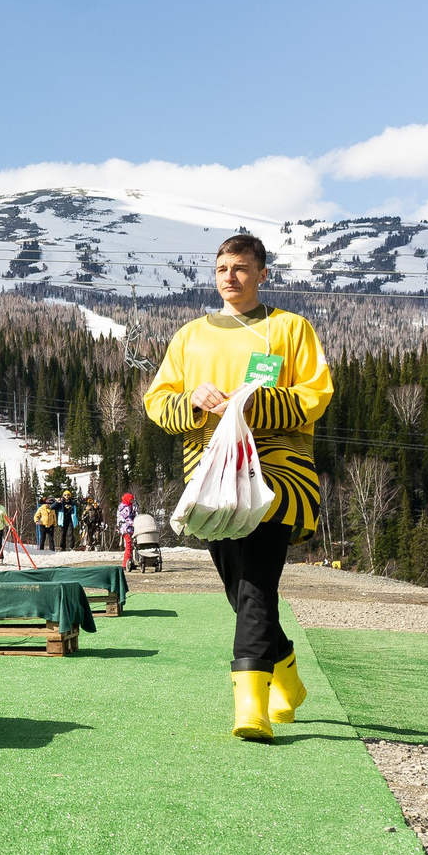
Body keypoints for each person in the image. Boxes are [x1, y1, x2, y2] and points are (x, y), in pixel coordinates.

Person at [145, 231, 334, 741]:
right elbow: (157, 401)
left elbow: (315, 394)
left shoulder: (290, 329)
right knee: (239, 586)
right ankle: (287, 673)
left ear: (262, 274)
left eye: (242, 268)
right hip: (211, 478)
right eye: (223, 268)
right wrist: (196, 403)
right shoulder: (190, 336)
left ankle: (250, 703)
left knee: (255, 584)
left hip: (276, 476)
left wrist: (252, 404)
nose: (231, 277)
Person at [116, 491, 138, 571]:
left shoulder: (130, 506)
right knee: (129, 544)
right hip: (126, 528)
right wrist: (133, 523)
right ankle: (125, 564)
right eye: (131, 500)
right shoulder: (125, 508)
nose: (132, 501)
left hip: (130, 528)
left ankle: (130, 562)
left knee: (132, 545)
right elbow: (126, 519)